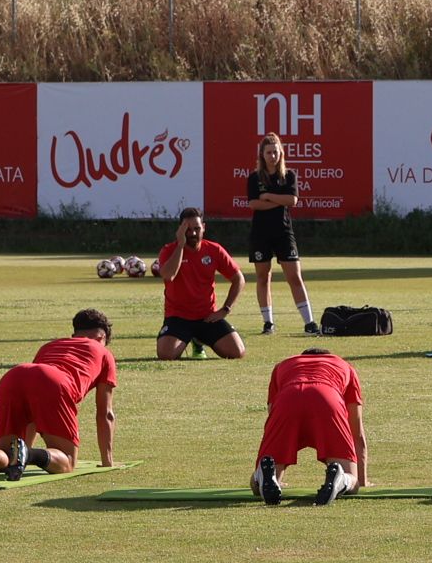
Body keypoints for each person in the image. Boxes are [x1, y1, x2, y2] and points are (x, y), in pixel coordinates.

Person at [0, 310, 119, 480]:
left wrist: (19, 453)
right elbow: (105, 413)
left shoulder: (50, 346)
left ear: (74, 334)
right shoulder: (104, 353)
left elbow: (32, 405)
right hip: (53, 381)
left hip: (13, 376)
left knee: (5, 453)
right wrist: (107, 461)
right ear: (102, 339)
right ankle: (30, 454)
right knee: (67, 461)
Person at [253, 348, 369, 505]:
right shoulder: (344, 366)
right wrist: (361, 482)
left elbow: (272, 414)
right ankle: (342, 478)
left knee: (263, 479)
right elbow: (357, 433)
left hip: (287, 400)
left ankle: (263, 475)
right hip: (327, 399)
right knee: (350, 478)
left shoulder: (282, 366)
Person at [245, 132, 317, 337]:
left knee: (295, 277)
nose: (272, 156)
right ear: (262, 155)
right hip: (261, 233)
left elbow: (292, 200)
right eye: (268, 152)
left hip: (284, 232)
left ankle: (309, 322)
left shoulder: (289, 175)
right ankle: (268, 322)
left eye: (275, 152)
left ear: (281, 153)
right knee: (263, 277)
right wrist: (278, 200)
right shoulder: (254, 177)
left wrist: (268, 196)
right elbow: (253, 204)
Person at [155, 207, 246, 360]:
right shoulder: (169, 250)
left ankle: (198, 340)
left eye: (197, 228)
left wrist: (226, 309)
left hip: (207, 317)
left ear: (204, 227)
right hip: (178, 317)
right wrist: (180, 245)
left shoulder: (214, 250)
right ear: (180, 230)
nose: (193, 234)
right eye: (188, 229)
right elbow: (168, 275)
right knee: (166, 355)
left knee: (236, 352)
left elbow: (239, 279)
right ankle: (187, 338)